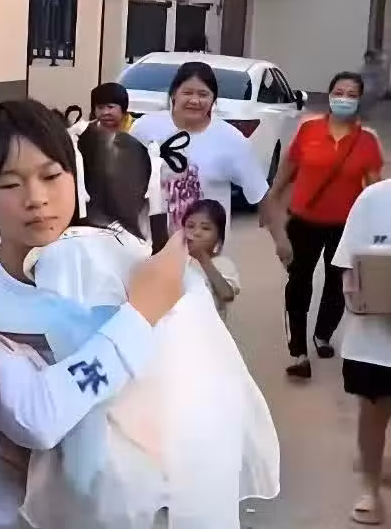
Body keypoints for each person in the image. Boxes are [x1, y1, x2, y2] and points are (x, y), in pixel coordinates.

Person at [0, 99, 194, 529]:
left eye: (51, 176)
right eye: (10, 184)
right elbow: (36, 419)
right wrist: (140, 315)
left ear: (76, 176)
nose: (37, 199)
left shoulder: (118, 267)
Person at [268, 71, 383, 380]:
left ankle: (323, 334)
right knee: (298, 281)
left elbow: (374, 190)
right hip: (303, 220)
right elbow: (288, 168)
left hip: (345, 226)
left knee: (336, 283)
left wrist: (376, 231)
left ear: (359, 101)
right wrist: (273, 200)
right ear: (329, 95)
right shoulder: (309, 129)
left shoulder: (367, 141)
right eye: (339, 92)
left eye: (351, 95)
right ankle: (298, 351)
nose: (344, 99)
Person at [129, 61, 291, 266]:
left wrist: (280, 239)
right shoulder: (145, 128)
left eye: (203, 94)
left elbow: (260, 193)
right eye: (187, 92)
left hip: (205, 255)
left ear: (213, 99)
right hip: (151, 248)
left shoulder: (231, 140)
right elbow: (124, 181)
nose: (195, 100)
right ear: (174, 94)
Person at [330, 179, 391, 525]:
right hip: (375, 339)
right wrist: (360, 298)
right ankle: (370, 488)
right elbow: (348, 267)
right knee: (373, 412)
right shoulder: (374, 199)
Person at [183, 198, 240, 324]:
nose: (197, 232)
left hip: (211, 331)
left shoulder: (223, 263)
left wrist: (203, 259)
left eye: (205, 228)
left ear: (219, 238)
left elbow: (227, 295)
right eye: (190, 226)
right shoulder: (178, 263)